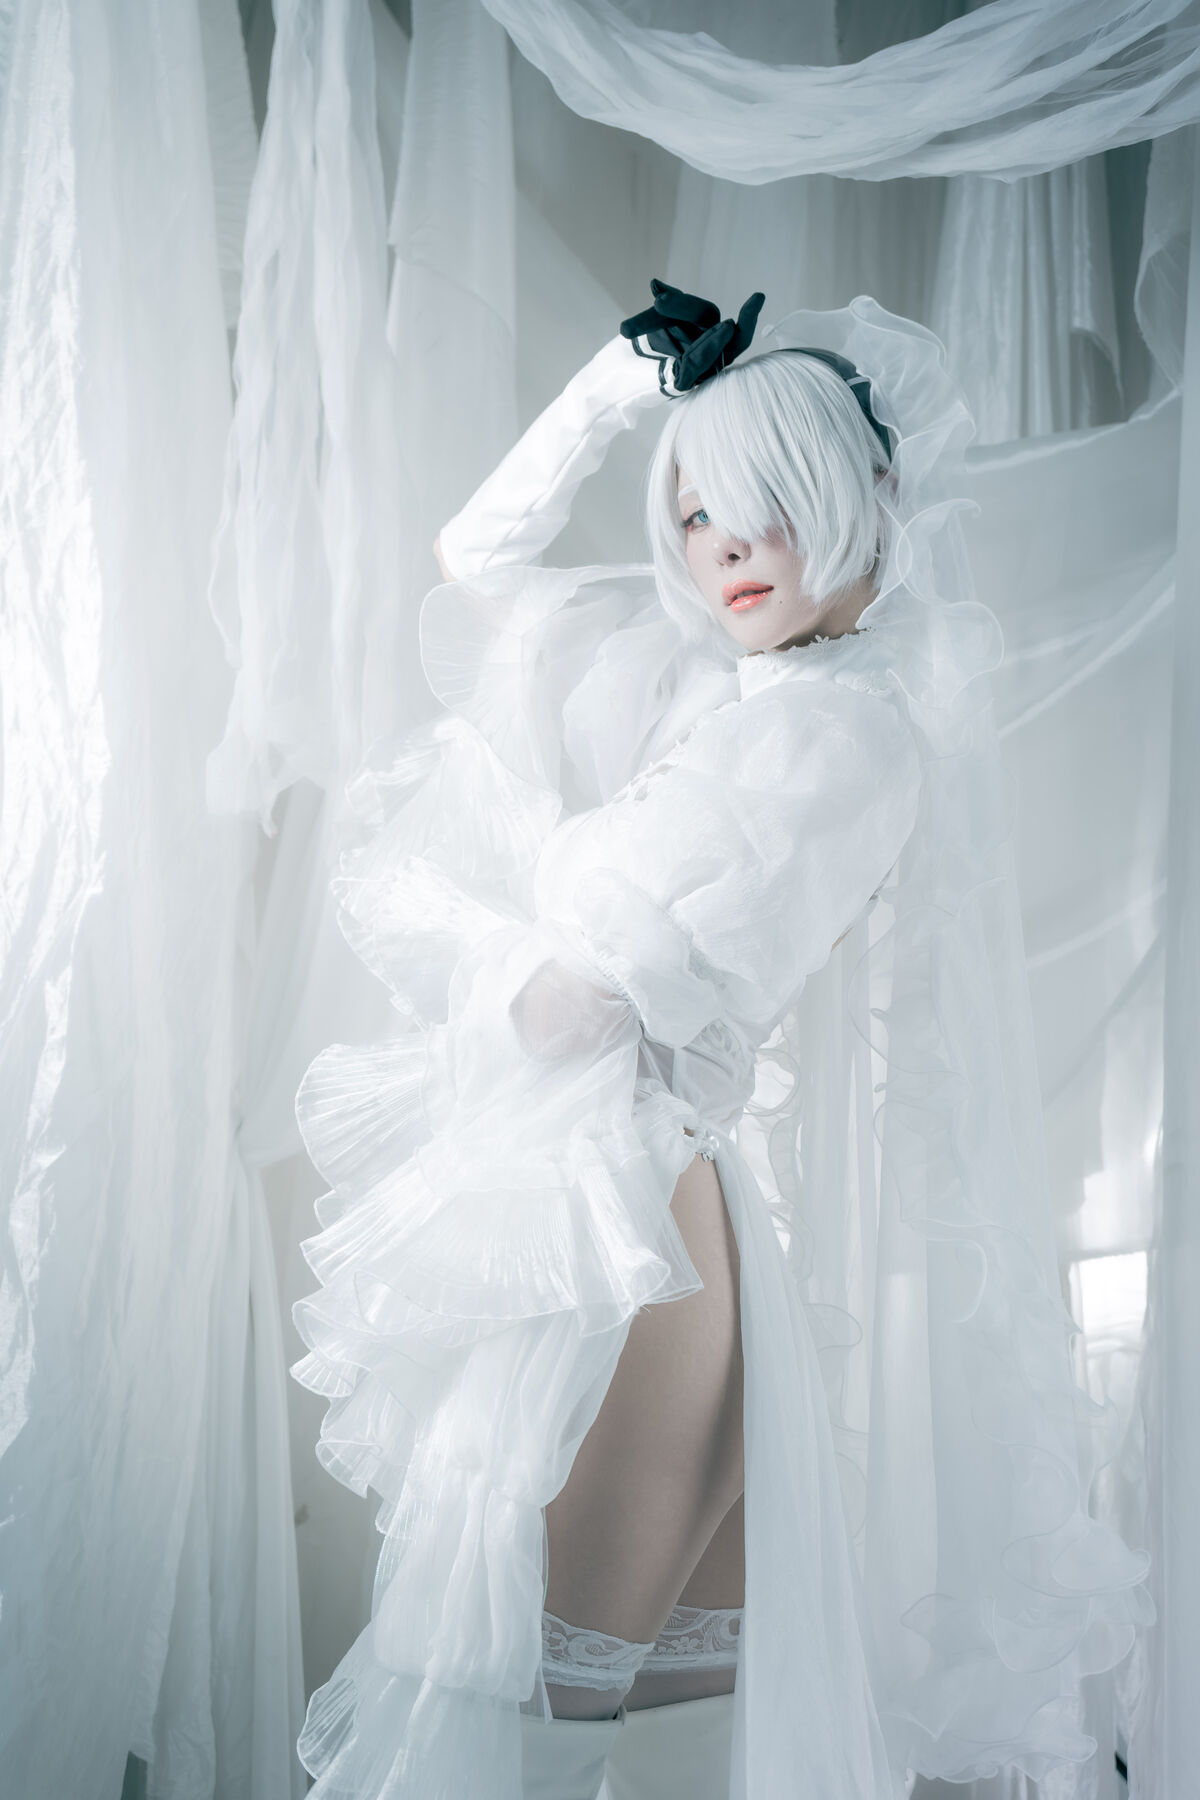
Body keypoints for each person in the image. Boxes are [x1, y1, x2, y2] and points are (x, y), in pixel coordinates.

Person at [290, 286, 1151, 1800]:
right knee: (646, 1732)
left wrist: (458, 938)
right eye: (697, 517)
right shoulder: (727, 688)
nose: (731, 549)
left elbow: (583, 1005)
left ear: (864, 495)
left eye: (772, 507)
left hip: (641, 1226)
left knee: (518, 1719)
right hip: (641, 1213)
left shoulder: (835, 734)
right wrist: (620, 384)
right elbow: (476, 566)